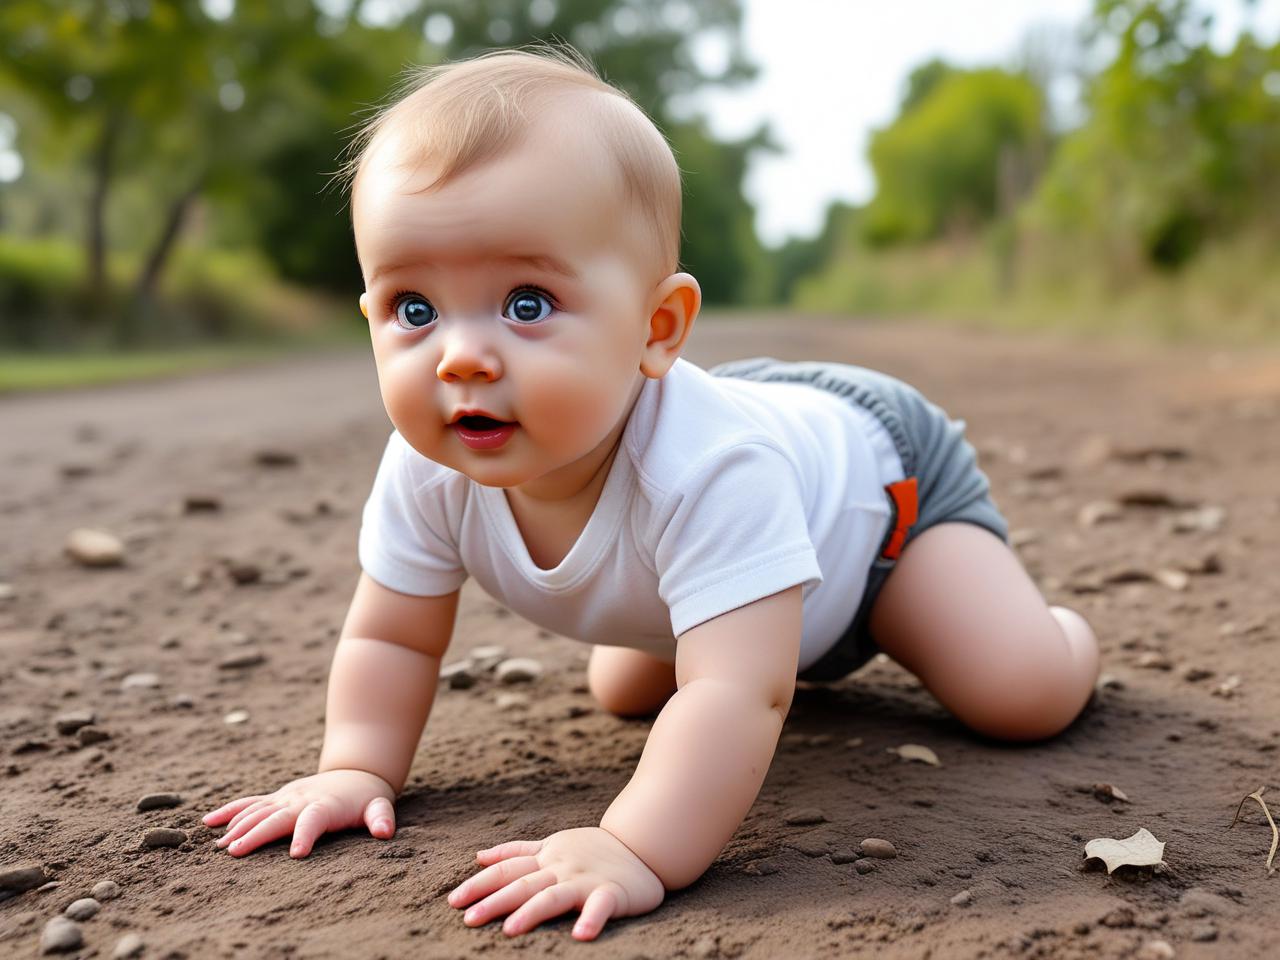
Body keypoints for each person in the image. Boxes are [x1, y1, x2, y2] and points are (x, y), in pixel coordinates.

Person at [202, 44, 1101, 942]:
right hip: (716, 450)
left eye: (524, 303)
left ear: (656, 328)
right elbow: (390, 634)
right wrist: (354, 767)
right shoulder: (427, 467)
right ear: (370, 315)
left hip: (879, 513)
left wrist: (634, 845)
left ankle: (1055, 627)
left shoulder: (711, 469)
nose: (460, 356)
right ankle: (709, 613)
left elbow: (741, 698)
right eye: (413, 308)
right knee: (628, 692)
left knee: (1020, 695)